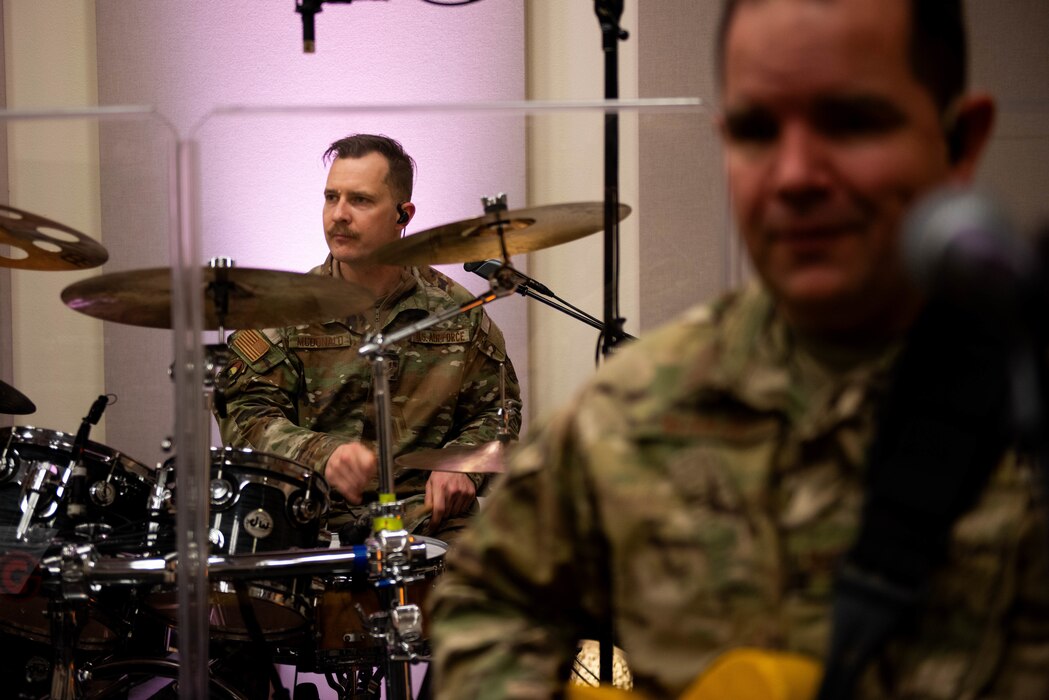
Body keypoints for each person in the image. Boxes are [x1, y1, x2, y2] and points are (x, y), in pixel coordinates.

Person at [429, 1, 1049, 698]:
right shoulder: (635, 408)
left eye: (850, 122)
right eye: (756, 131)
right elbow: (484, 603)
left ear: (960, 140)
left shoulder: (1019, 395)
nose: (793, 175)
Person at [218, 133, 521, 543]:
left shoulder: (455, 310)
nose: (339, 214)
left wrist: (462, 463)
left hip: (425, 521)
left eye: (359, 200)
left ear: (403, 215)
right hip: (310, 518)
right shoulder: (286, 312)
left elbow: (500, 412)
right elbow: (245, 412)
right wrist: (324, 453)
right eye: (331, 197)